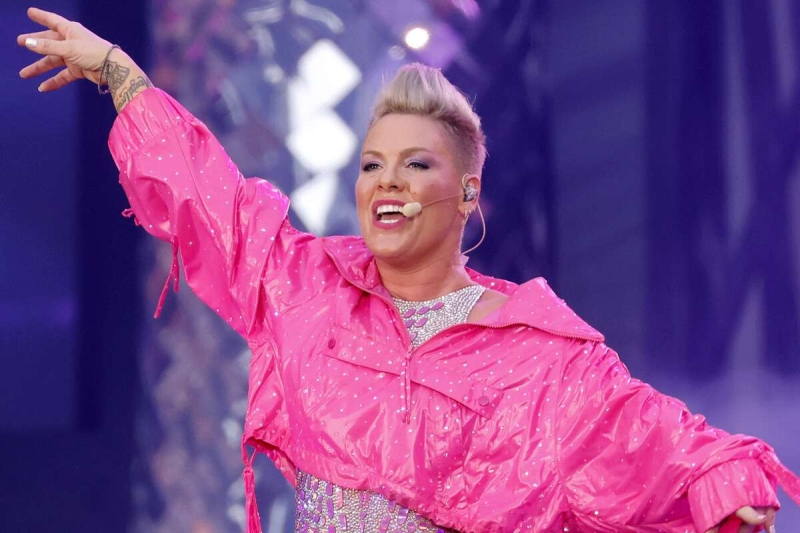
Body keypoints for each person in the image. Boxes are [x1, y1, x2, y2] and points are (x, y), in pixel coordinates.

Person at [17, 7, 800, 533]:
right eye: (372, 164)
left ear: (468, 192)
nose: (386, 182)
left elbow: (667, 447)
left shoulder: (543, 358)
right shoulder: (307, 287)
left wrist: (730, 492)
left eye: (415, 164)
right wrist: (119, 72)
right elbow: (211, 197)